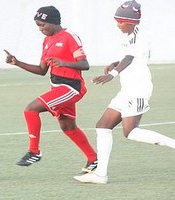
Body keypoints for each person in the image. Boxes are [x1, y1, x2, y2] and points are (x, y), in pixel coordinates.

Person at [74, 0, 175, 184]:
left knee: (130, 132)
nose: (117, 24)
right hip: (127, 89)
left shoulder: (140, 36)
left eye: (120, 21)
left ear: (132, 22)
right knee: (103, 126)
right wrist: (115, 63)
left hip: (138, 89)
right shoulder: (130, 35)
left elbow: (130, 58)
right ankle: (100, 175)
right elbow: (128, 57)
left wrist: (112, 74)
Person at [5, 6, 98, 174]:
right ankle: (94, 160)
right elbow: (42, 70)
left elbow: (85, 64)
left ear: (53, 22)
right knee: (68, 127)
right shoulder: (47, 41)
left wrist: (65, 63)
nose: (41, 29)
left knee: (30, 109)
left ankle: (34, 151)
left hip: (71, 87)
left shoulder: (70, 37)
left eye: (42, 25)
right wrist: (17, 63)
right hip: (57, 87)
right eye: (38, 26)